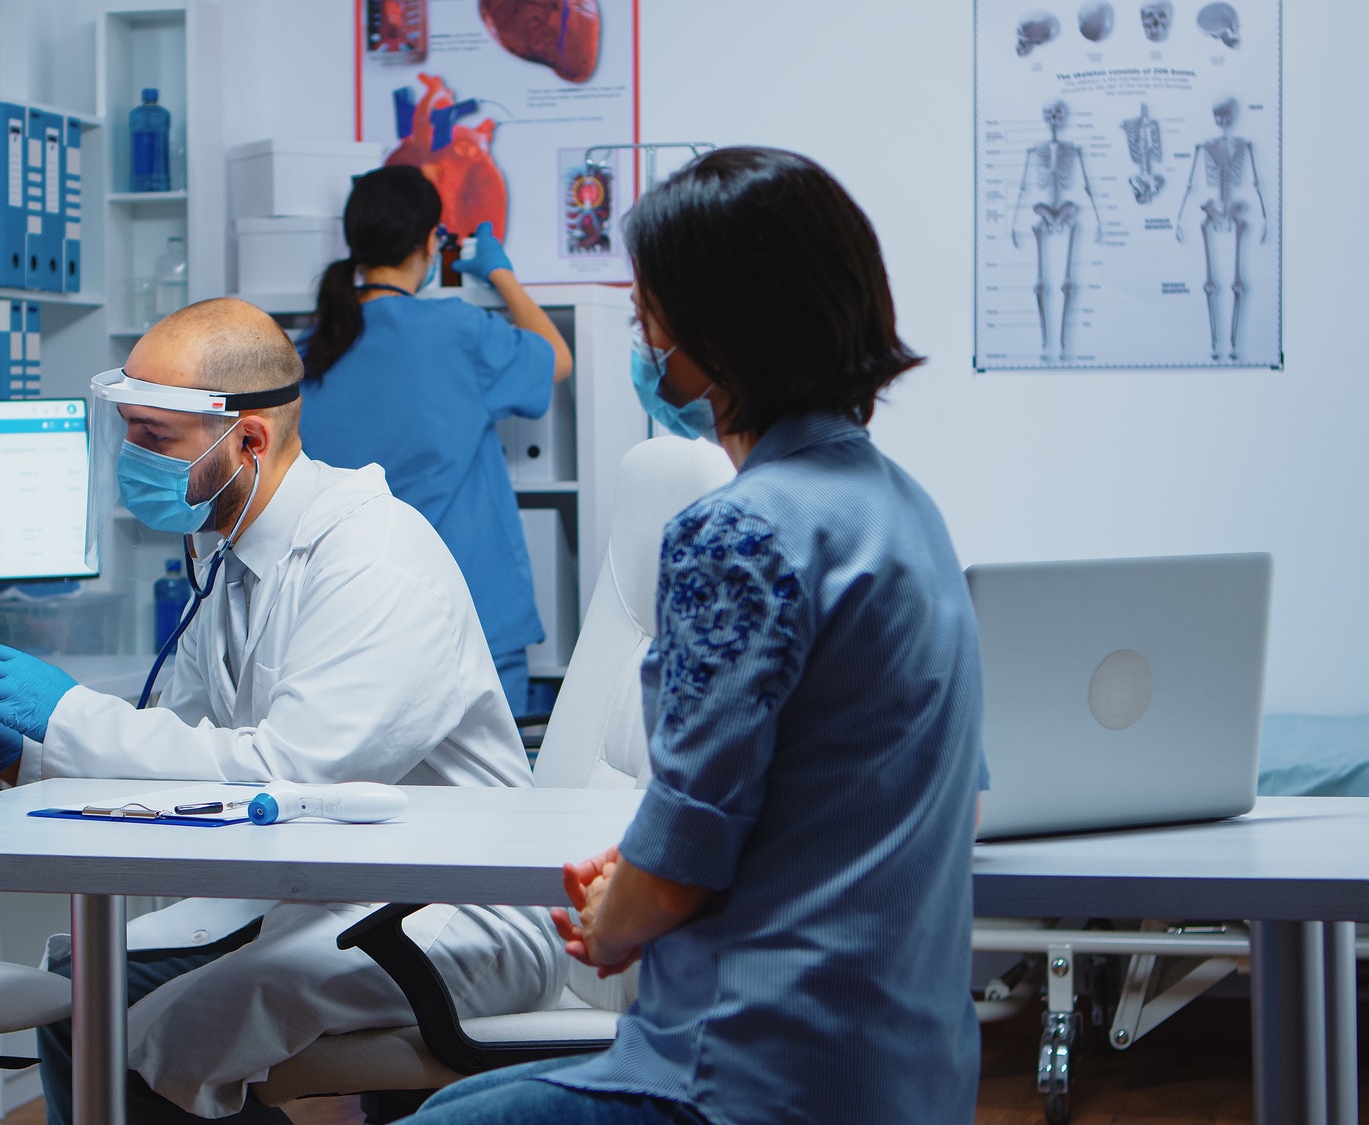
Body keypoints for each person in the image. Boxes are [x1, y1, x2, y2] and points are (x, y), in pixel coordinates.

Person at [408, 148, 987, 1124]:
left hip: (748, 1073)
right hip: (905, 1071)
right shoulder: (905, 511)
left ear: (716, 336)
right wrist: (640, 874)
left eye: (646, 321)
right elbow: (902, 801)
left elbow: (680, 863)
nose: (644, 347)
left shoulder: (738, 531)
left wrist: (614, 910)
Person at [0, 298, 564, 1125]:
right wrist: (24, 755)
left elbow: (292, 773)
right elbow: (180, 748)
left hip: (449, 911)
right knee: (76, 1002)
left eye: (155, 439)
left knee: (159, 1042)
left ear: (250, 440)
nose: (133, 458)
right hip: (326, 895)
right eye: (129, 431)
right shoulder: (227, 557)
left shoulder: (373, 558)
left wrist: (67, 713)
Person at [298, 164, 574, 716]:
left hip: (351, 619)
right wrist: (500, 276)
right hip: (468, 611)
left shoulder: (309, 351)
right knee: (491, 799)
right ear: (430, 242)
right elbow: (557, 360)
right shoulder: (457, 330)